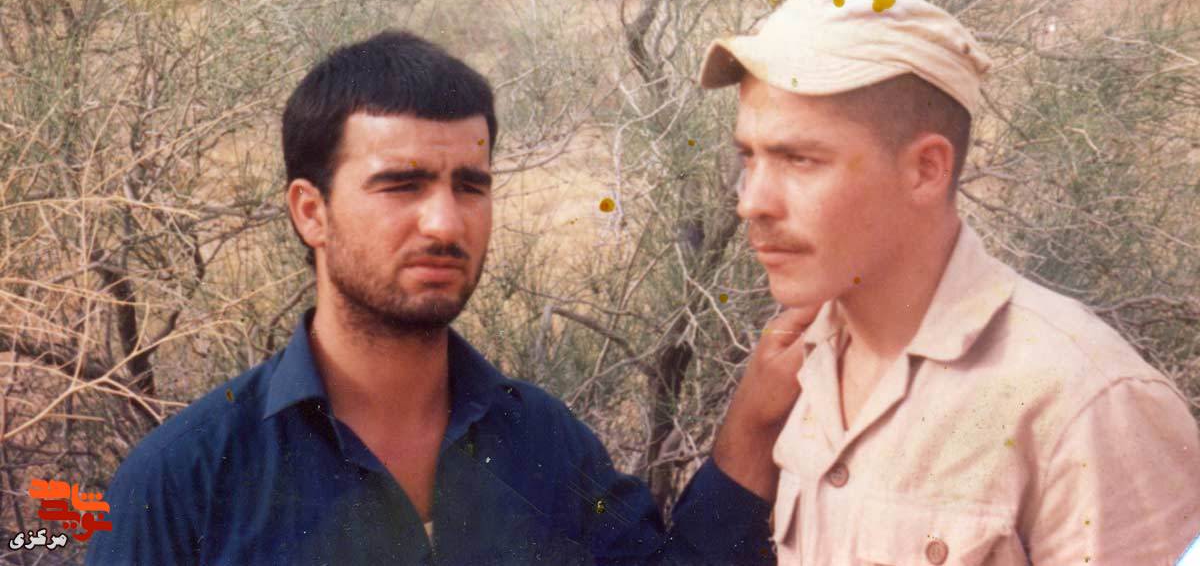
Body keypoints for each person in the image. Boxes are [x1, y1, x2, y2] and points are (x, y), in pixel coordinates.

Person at [87, 30, 805, 566]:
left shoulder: (544, 443)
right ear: (311, 212)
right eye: (401, 185)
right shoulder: (185, 482)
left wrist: (751, 427)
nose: (444, 222)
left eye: (470, 185)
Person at [698, 0, 1200, 566]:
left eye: (800, 160)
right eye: (749, 157)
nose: (752, 202)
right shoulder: (806, 364)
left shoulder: (1085, 401)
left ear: (927, 170)